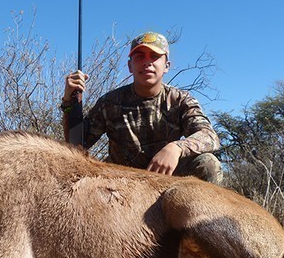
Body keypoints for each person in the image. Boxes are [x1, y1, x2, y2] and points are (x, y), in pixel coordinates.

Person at [61, 31, 222, 184]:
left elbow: (209, 136)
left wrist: (176, 148)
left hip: (166, 179)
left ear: (166, 65)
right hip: (121, 181)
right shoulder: (109, 102)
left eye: (154, 56)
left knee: (208, 164)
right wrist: (70, 101)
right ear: (130, 66)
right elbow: (77, 144)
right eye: (139, 56)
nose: (147, 62)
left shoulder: (181, 100)